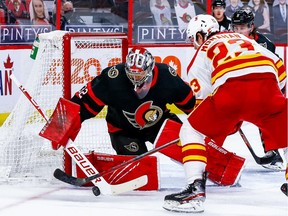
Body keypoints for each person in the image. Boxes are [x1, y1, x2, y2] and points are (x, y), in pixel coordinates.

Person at [163, 14, 287, 213]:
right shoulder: (247, 40)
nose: (194, 44)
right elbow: (279, 70)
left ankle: (195, 189)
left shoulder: (201, 53)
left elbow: (202, 105)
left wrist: (230, 119)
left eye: (194, 38)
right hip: (268, 89)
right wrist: (265, 104)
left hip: (231, 94)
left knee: (191, 130)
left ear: (201, 36)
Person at [43, 47, 196, 155]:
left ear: (150, 69)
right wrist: (59, 128)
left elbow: (190, 104)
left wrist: (204, 128)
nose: (135, 79)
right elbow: (81, 103)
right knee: (139, 168)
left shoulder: (166, 76)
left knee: (191, 147)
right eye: (132, 74)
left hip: (160, 125)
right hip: (123, 131)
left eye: (139, 74)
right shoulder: (113, 78)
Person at [231, 8, 285, 170]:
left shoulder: (264, 43)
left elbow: (274, 67)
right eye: (236, 28)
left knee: (266, 117)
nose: (239, 31)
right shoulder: (228, 42)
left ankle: (273, 152)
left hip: (261, 87)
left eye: (243, 28)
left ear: (251, 27)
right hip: (236, 87)